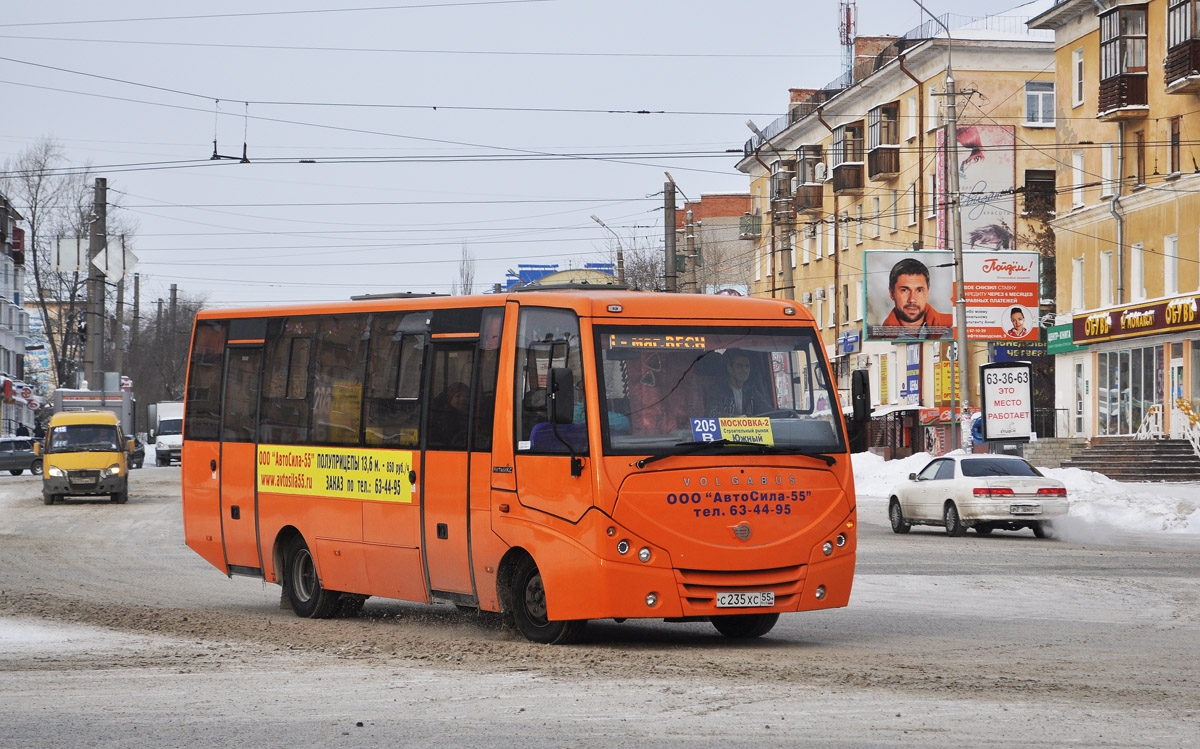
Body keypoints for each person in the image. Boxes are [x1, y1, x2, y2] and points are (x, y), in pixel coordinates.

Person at [880, 257, 954, 339]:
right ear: (892, 293)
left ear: (927, 293)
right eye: (904, 290)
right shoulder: (879, 337)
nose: (912, 299)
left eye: (919, 290)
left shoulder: (954, 326)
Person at [706, 350, 771, 417]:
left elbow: (766, 410)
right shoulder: (718, 390)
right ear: (730, 368)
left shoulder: (751, 390)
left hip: (750, 427)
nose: (745, 370)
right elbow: (712, 414)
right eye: (739, 366)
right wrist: (736, 418)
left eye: (747, 366)